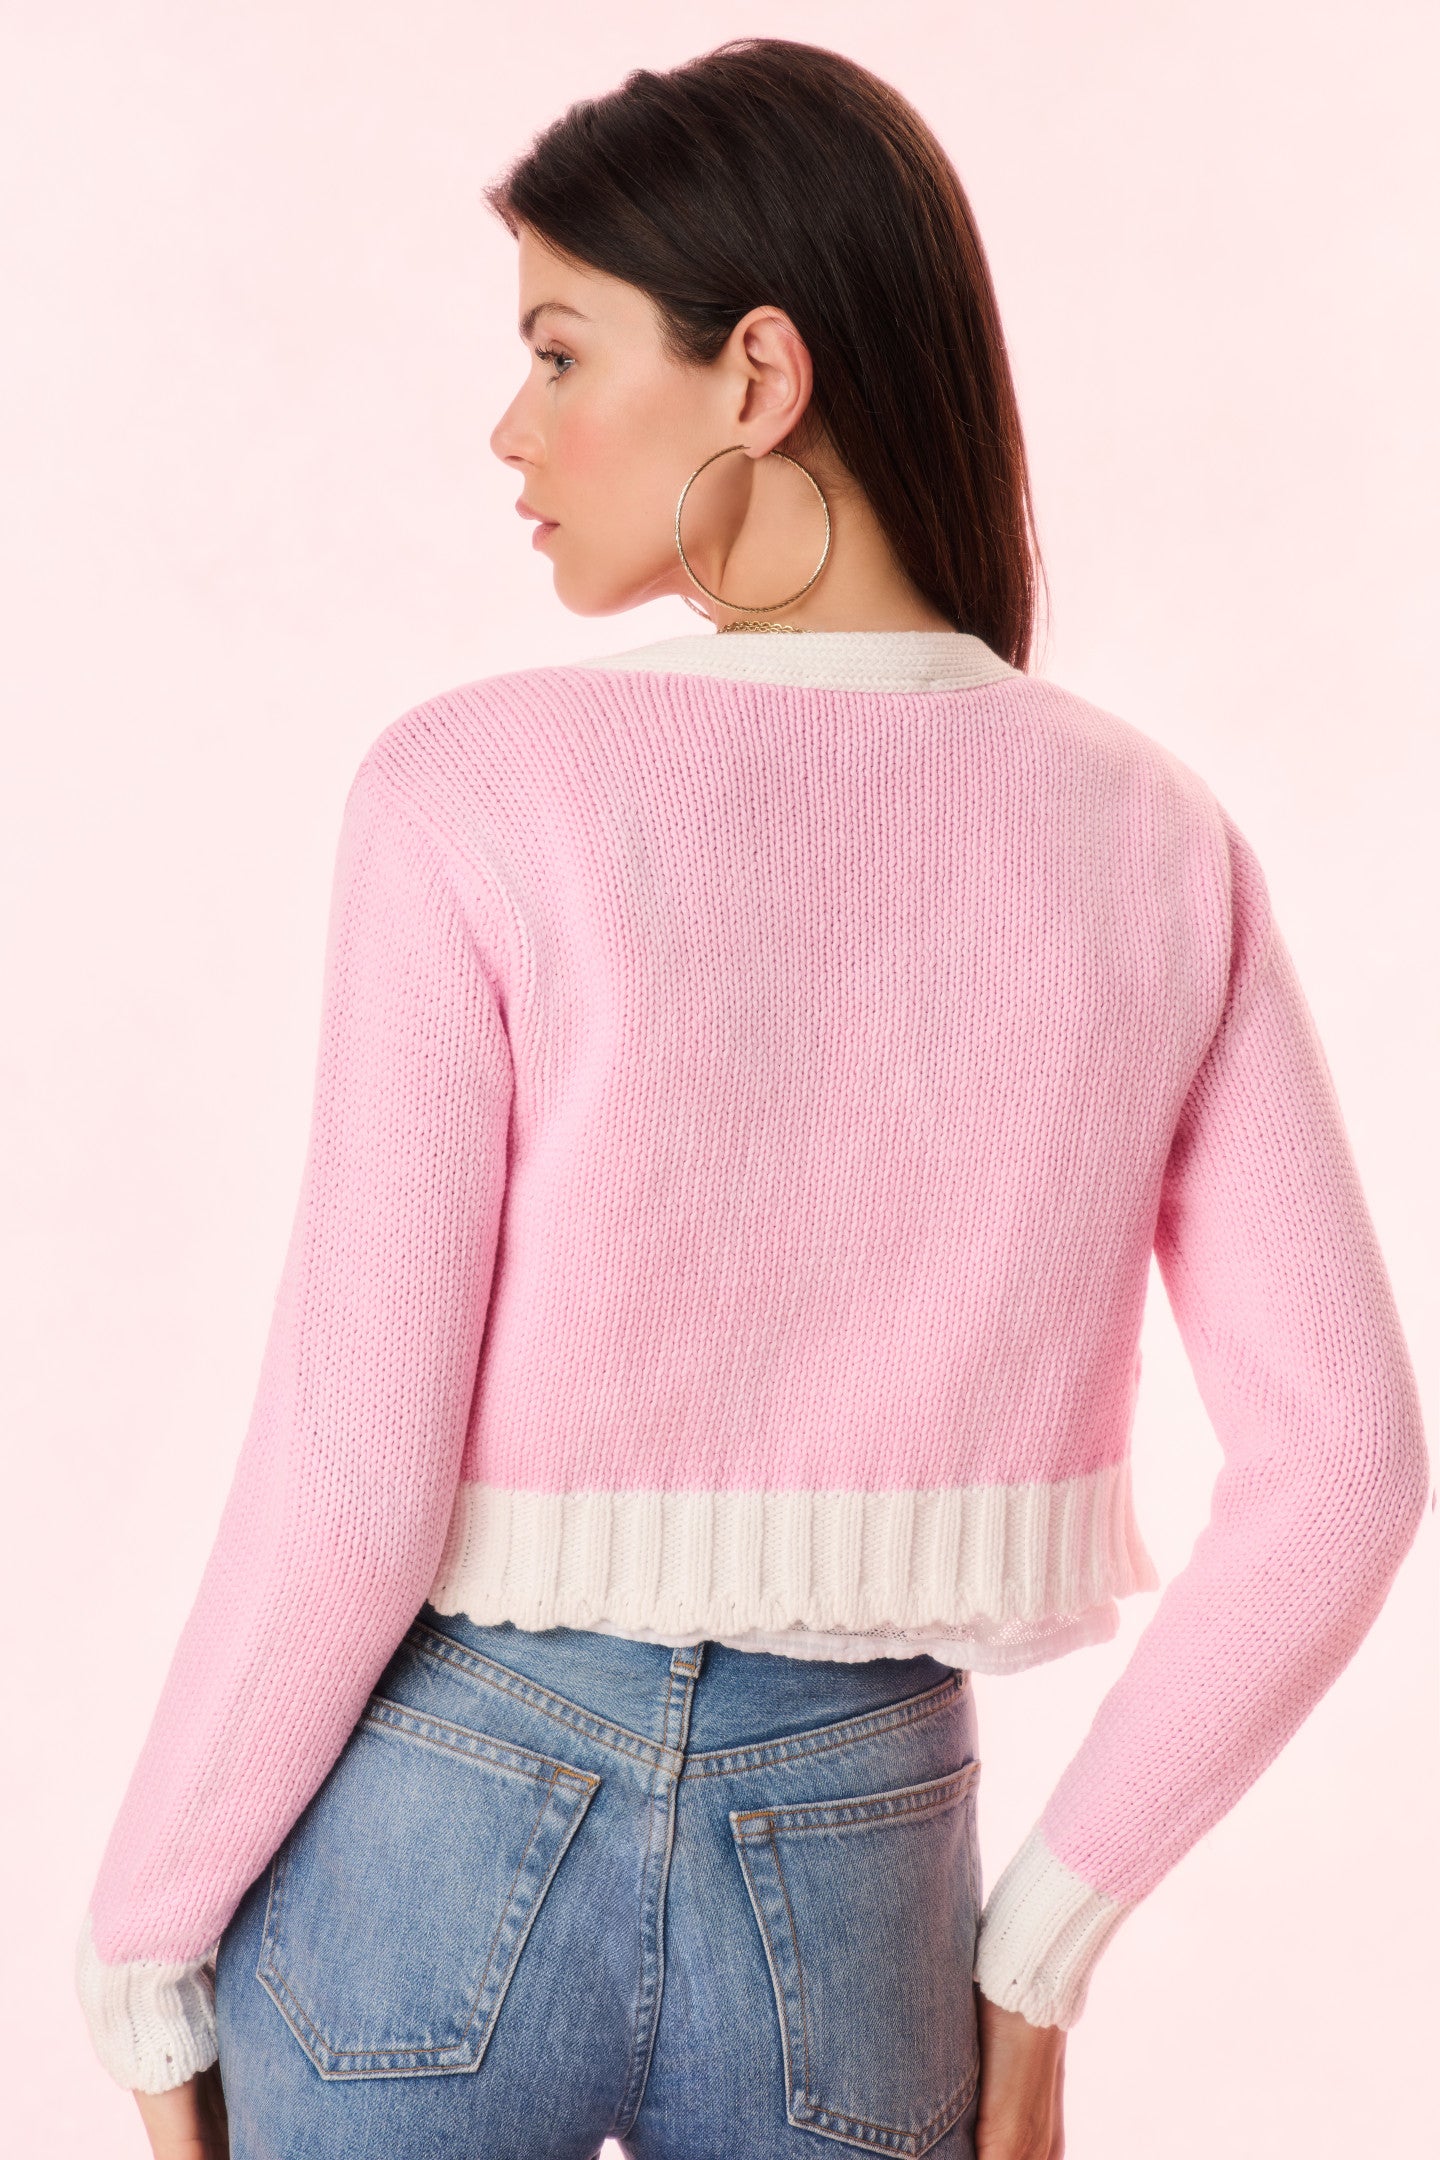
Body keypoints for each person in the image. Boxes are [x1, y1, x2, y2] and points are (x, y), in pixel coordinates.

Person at [75, 36, 1429, 2160]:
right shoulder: (1159, 839)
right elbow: (1348, 1468)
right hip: (864, 1860)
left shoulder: (473, 791)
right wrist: (1043, 1947)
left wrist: (145, 1932)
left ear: (760, 375)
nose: (510, 427)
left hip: (440, 1817)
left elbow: (354, 1475)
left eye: (559, 350)